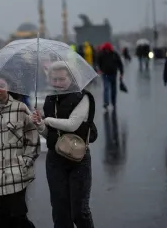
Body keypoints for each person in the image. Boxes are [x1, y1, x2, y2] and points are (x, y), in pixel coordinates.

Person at [31, 61, 96, 228]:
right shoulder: (49, 100)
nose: (57, 83)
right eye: (54, 79)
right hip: (55, 159)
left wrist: (48, 120)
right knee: (60, 212)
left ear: (71, 79)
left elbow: (72, 124)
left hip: (78, 159)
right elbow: (48, 133)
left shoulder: (83, 97)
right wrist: (39, 124)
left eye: (61, 79)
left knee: (79, 212)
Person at [0, 75, 40, 228]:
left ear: (9, 87)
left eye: (1, 86)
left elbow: (33, 139)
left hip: (17, 176)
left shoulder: (20, 108)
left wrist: (26, 162)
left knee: (18, 219)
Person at [96, 42, 124, 111]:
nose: (107, 50)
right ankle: (107, 103)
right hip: (106, 74)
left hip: (112, 74)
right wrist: (99, 69)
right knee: (107, 88)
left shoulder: (111, 54)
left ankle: (112, 102)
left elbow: (119, 63)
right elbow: (98, 63)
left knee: (112, 89)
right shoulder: (106, 54)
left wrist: (121, 72)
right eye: (106, 49)